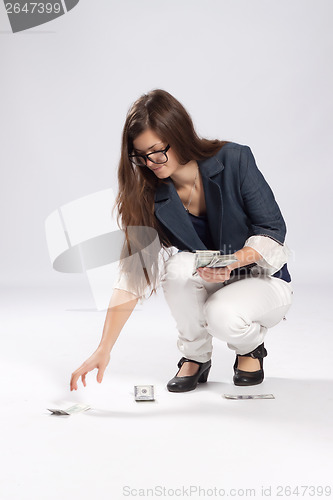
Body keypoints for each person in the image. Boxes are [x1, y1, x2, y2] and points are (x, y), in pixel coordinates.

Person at [70, 89, 293, 393]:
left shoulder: (235, 159)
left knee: (221, 315)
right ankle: (196, 355)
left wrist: (233, 261)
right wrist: (104, 348)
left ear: (179, 134)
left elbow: (272, 231)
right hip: (211, 276)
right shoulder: (150, 195)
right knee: (176, 269)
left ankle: (250, 348)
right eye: (141, 156)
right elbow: (132, 276)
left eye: (157, 151)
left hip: (262, 278)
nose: (151, 163)